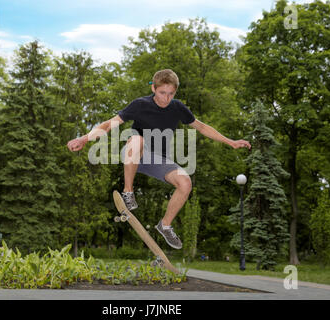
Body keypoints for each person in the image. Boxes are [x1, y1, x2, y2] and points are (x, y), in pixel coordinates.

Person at [67, 69, 251, 249]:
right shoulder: (140, 105)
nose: (166, 98)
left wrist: (230, 142)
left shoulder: (177, 107)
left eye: (171, 94)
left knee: (185, 182)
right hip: (134, 153)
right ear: (153, 89)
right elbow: (109, 124)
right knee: (137, 139)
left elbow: (202, 127)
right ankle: (128, 191)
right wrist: (84, 138)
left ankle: (165, 225)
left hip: (157, 160)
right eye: (162, 93)